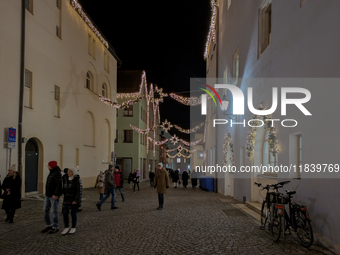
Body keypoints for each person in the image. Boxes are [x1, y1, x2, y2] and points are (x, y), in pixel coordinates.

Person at [41, 161, 62, 234]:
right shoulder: (51, 172)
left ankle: (55, 226)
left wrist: (56, 194)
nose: (47, 167)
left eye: (48, 165)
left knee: (54, 211)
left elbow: (59, 185)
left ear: (52, 166)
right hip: (48, 194)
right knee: (46, 209)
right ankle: (49, 224)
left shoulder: (57, 173)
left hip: (53, 195)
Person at [60, 167, 80, 235]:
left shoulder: (77, 179)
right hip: (66, 199)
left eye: (70, 172)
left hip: (73, 199)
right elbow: (63, 188)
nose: (68, 173)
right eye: (68, 171)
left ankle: (73, 227)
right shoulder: (65, 178)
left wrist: (76, 200)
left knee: (73, 213)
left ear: (73, 173)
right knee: (65, 213)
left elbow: (79, 191)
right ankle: (66, 227)